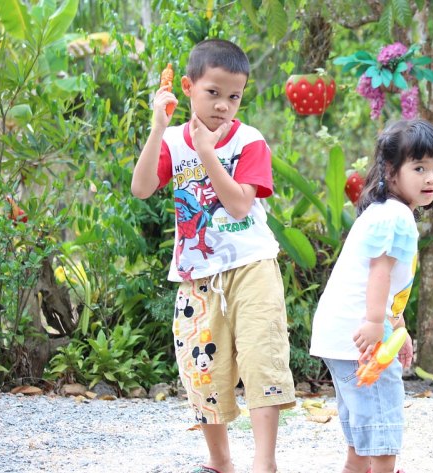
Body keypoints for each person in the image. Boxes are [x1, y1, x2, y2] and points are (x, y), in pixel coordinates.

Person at [131, 38, 295, 473]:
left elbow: (241, 205)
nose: (224, 105)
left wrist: (208, 152)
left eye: (234, 96)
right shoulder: (171, 141)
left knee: (263, 357)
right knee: (202, 369)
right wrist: (155, 127)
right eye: (213, 93)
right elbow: (142, 188)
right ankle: (220, 462)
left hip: (252, 265)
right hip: (196, 273)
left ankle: (265, 464)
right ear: (187, 87)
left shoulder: (250, 141)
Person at [310, 119, 433, 473]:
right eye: (419, 168)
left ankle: (357, 468)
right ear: (391, 170)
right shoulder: (396, 217)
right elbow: (380, 273)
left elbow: (389, 287)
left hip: (340, 332)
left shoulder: (383, 212)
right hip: (360, 334)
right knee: (382, 410)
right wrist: (374, 324)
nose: (431, 178)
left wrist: (396, 329)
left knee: (362, 415)